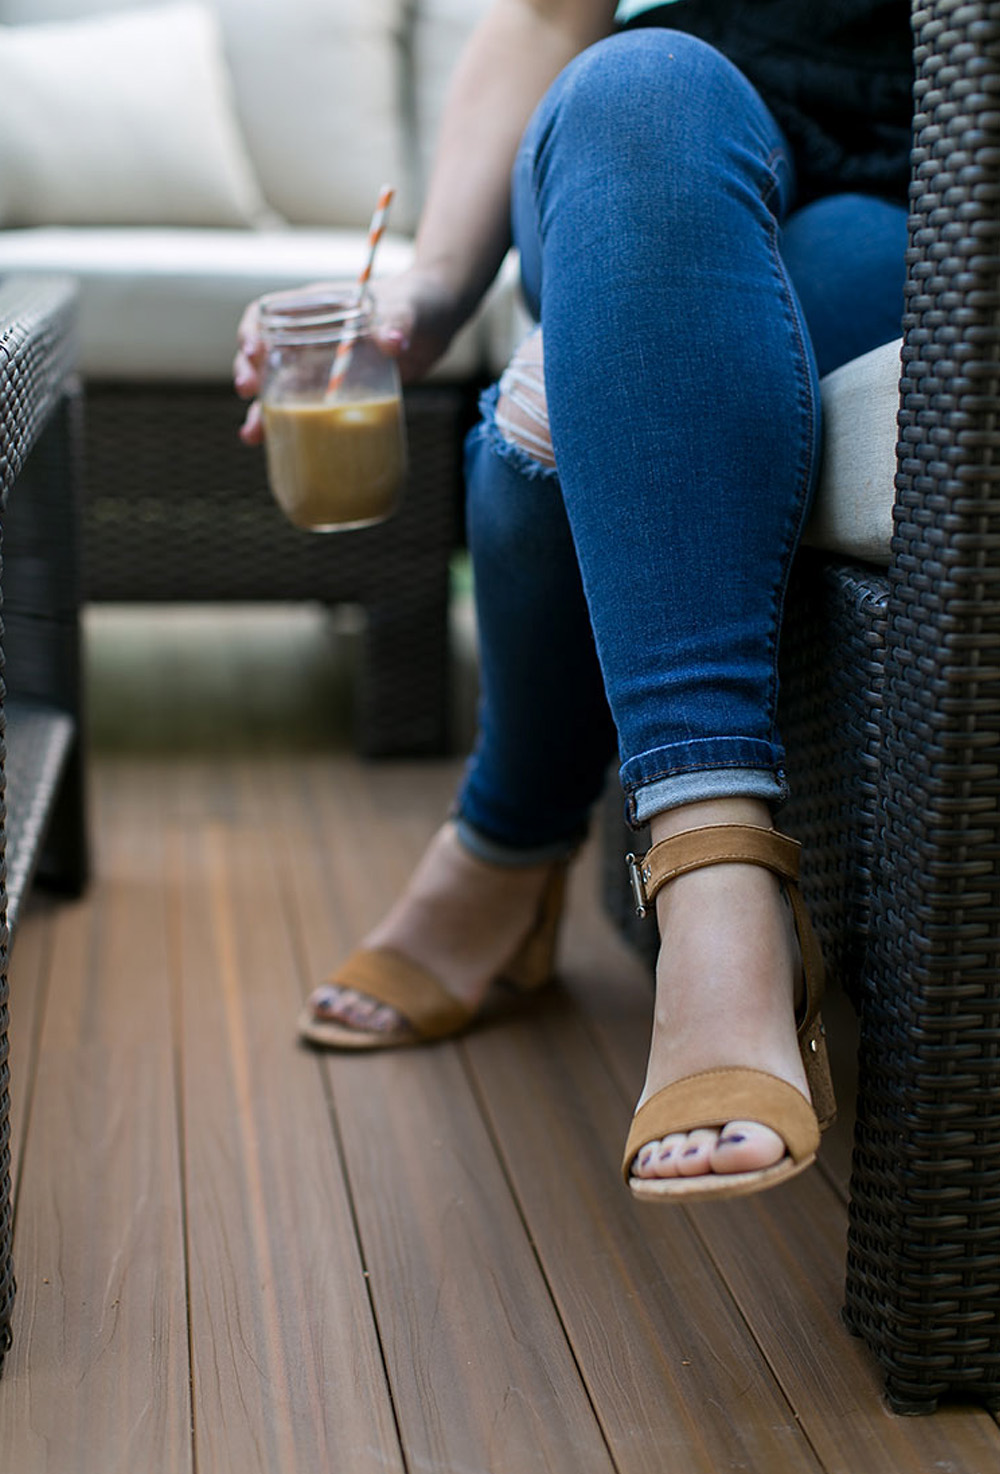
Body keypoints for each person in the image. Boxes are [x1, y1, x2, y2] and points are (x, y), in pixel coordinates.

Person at [234, 0, 912, 1202]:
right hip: (677, 125)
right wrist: (431, 293)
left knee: (568, 394)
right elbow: (551, 11)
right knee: (633, 87)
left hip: (925, 176)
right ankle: (696, 877)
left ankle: (518, 839)